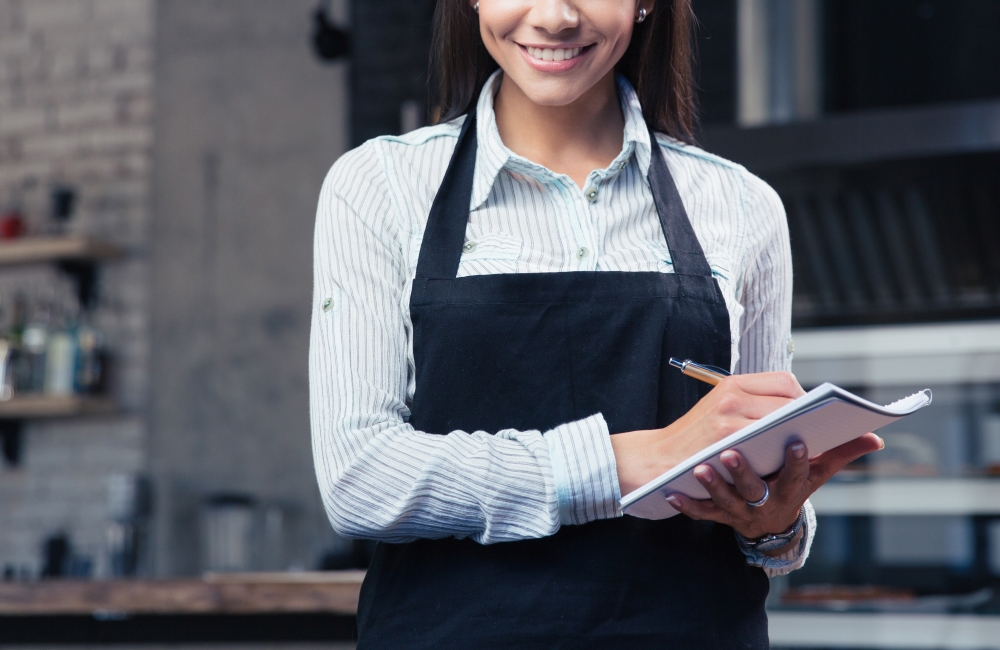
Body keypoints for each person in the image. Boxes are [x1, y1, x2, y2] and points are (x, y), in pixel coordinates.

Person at [310, 1, 883, 647]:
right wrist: (625, 461)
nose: (555, 17)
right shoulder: (380, 186)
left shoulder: (741, 206)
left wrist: (773, 522)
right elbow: (360, 480)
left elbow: (759, 478)